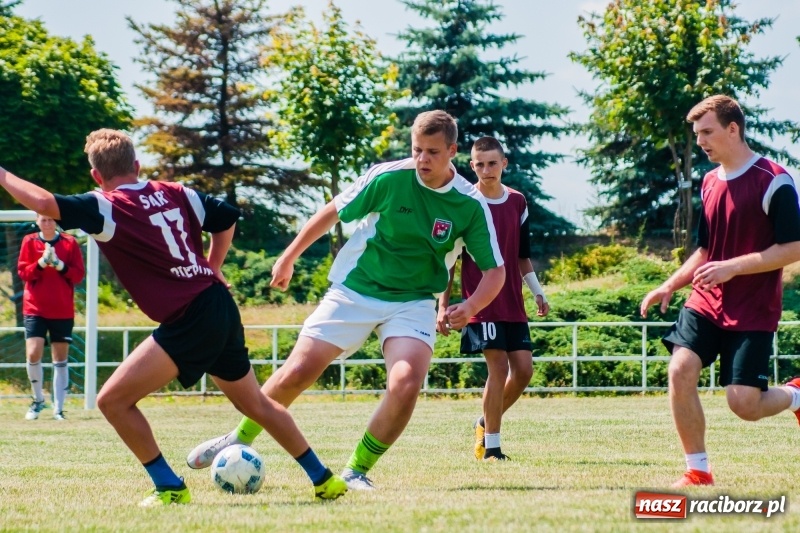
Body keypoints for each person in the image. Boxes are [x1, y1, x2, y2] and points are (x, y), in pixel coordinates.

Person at [0, 129, 346, 506]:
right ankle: (324, 479)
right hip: (218, 303)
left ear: (96, 176)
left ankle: (169, 487)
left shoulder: (106, 205)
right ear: (137, 165)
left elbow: (45, 203)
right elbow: (226, 218)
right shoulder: (177, 192)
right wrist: (211, 267)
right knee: (256, 404)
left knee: (112, 401)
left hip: (190, 316)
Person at [186, 110, 506, 490]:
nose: (422, 160)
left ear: (452, 151)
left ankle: (356, 472)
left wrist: (469, 308)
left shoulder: (470, 204)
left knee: (405, 383)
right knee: (298, 371)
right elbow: (333, 212)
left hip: (413, 301)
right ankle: (238, 437)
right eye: (417, 149)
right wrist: (289, 256)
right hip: (355, 289)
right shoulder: (388, 177)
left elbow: (495, 272)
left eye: (433, 152)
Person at [640, 95, 800, 488]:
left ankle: (795, 394)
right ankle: (698, 471)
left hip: (754, 307)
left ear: (733, 129)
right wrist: (670, 284)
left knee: (744, 404)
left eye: (707, 132)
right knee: (679, 369)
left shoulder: (774, 179)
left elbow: (794, 247)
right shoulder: (710, 182)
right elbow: (705, 251)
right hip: (706, 301)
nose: (701, 142)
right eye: (697, 135)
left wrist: (734, 267)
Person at [436, 136, 549, 461]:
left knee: (524, 371)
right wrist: (443, 305)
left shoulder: (517, 202)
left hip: (513, 302)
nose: (486, 170)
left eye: (492, 163)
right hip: (480, 303)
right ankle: (492, 447)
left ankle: (485, 421)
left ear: (504, 164)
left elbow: (521, 256)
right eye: (479, 164)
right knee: (497, 368)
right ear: (471, 166)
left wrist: (538, 292)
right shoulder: (464, 202)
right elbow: (449, 261)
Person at [17, 214, 85, 421]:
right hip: (34, 308)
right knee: (33, 353)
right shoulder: (29, 241)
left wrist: (59, 265)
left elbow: (78, 274)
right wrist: (40, 263)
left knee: (60, 357)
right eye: (43, 220)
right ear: (37, 221)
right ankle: (37, 401)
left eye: (50, 220)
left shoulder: (69, 242)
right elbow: (24, 273)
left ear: (56, 221)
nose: (47, 223)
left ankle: (59, 408)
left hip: (62, 309)